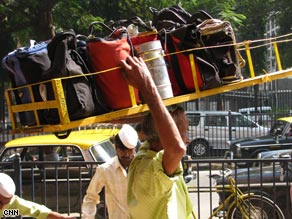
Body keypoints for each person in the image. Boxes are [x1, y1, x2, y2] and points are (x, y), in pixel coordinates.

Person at [120, 56, 193, 219]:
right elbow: (176, 148)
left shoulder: (146, 153)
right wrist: (146, 85)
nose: (186, 140)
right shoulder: (150, 172)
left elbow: (155, 125)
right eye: (182, 133)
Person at [81, 124, 138, 219]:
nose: (127, 154)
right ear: (116, 148)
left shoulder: (143, 166)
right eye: (123, 150)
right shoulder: (105, 169)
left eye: (130, 150)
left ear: (134, 149)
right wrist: (88, 217)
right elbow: (91, 197)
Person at [0, 172, 75, 219]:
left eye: (6, 203)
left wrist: (62, 217)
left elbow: (37, 211)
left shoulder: (12, 204)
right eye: (0, 203)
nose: (2, 206)